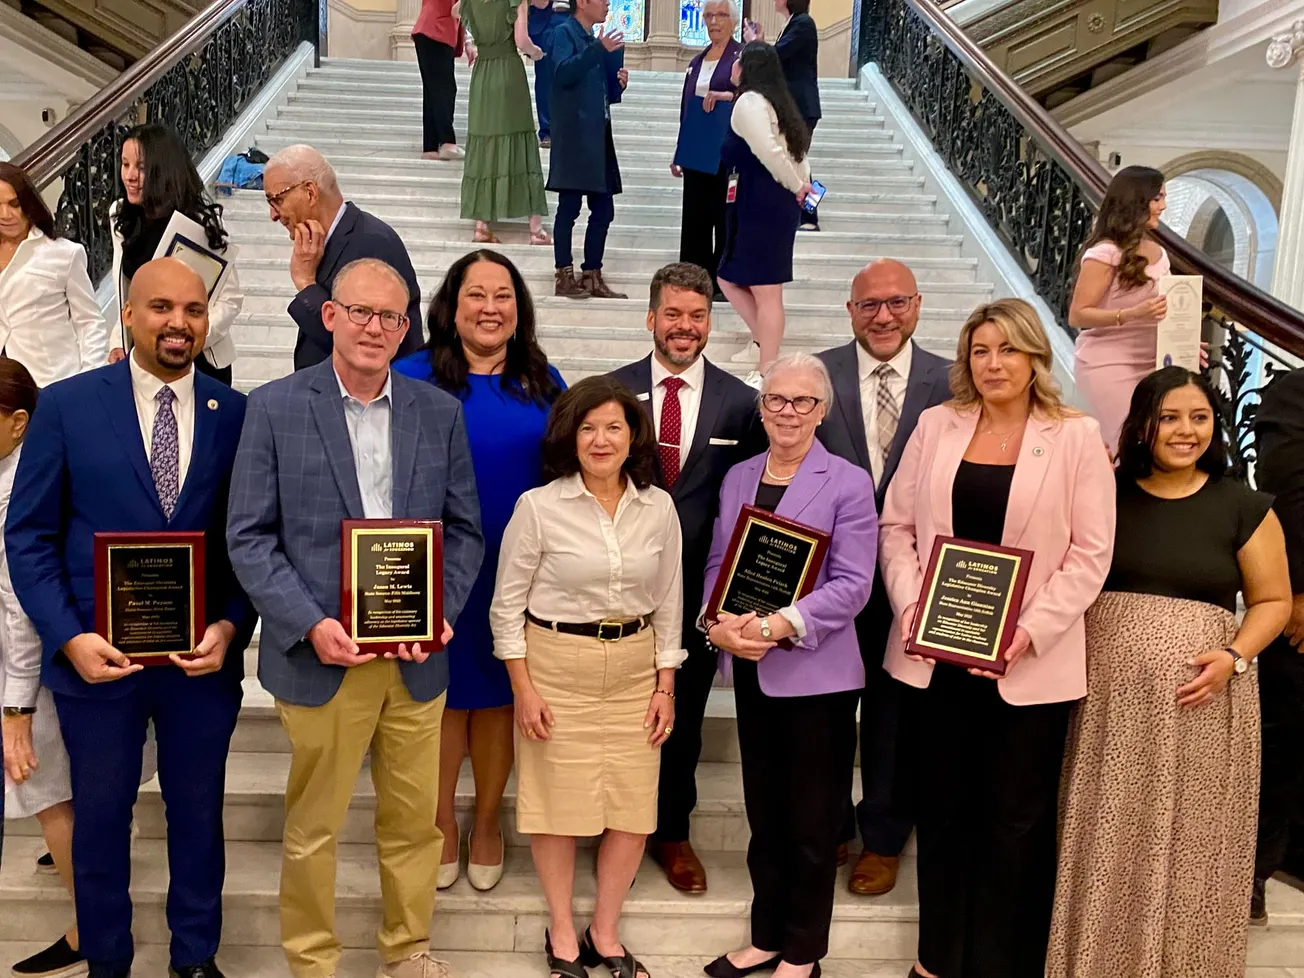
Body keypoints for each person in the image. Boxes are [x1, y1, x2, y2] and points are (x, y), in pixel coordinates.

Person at [225, 257, 484, 978]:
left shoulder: (439, 413)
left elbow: (464, 530)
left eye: (392, 317)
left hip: (415, 659)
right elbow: (248, 534)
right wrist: (309, 624)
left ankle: (408, 950)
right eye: (361, 312)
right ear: (330, 315)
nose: (376, 328)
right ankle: (312, 963)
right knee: (314, 828)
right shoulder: (274, 408)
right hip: (320, 659)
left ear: (408, 331)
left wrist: (442, 610)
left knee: (413, 824)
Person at [5, 258, 256, 978]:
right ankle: (108, 958)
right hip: (96, 660)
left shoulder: (234, 414)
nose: (179, 323)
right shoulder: (67, 406)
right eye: (162, 308)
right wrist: (70, 637)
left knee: (198, 814)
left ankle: (195, 955)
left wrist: (232, 625)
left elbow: (246, 539)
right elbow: (27, 536)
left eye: (193, 310)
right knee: (102, 819)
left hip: (199, 666)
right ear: (129, 314)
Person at [878, 297, 1116, 978]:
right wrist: (912, 608)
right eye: (980, 351)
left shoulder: (1073, 436)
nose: (993, 363)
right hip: (936, 658)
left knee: (1015, 824)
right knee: (943, 813)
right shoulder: (937, 424)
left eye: (1007, 349)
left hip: (1027, 666)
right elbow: (896, 530)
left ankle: (1001, 965)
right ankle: (936, 960)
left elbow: (1090, 556)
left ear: (1036, 356)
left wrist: (1027, 633)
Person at [1047, 367, 1291, 978]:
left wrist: (1234, 658)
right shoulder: (1106, 491)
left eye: (1200, 417)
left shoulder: (1243, 505)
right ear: (1142, 425)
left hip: (1201, 713)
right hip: (1104, 709)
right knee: (1106, 840)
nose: (1186, 431)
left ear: (1216, 425)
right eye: (1170, 417)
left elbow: (1273, 602)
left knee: (1190, 846)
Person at [489, 376, 682, 978]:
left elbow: (671, 600)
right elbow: (506, 607)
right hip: (556, 668)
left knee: (631, 806)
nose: (601, 439)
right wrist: (523, 688)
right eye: (588, 427)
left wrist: (665, 686)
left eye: (614, 427)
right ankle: (563, 930)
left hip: (634, 670)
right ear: (570, 438)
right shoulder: (539, 507)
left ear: (634, 437)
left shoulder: (660, 506)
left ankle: (606, 929)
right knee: (557, 806)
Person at [393, 249, 565, 892]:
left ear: (519, 311)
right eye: (476, 295)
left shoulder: (546, 384)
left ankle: (488, 821)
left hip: (519, 571)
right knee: (439, 698)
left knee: (496, 700)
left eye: (503, 296)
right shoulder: (408, 376)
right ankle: (439, 821)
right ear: (451, 306)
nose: (490, 308)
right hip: (429, 567)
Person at [702, 353, 876, 978]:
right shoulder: (740, 476)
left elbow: (854, 584)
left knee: (809, 822)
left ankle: (802, 953)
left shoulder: (849, 481)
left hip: (817, 676)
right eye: (777, 400)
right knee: (764, 813)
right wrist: (715, 623)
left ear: (823, 411)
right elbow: (717, 564)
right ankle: (766, 935)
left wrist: (779, 625)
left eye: (803, 402)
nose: (788, 412)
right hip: (750, 667)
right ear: (762, 406)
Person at [608, 261, 762, 894]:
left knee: (685, 720)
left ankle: (671, 831)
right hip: (615, 594)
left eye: (698, 315)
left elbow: (755, 501)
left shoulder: (741, 403)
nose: (685, 326)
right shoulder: (610, 395)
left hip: (701, 597)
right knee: (614, 717)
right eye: (673, 313)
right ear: (651, 318)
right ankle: (612, 827)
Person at [815, 258, 950, 898]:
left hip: (917, 582)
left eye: (897, 302)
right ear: (850, 312)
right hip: (828, 582)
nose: (884, 316)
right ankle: (831, 822)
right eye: (869, 305)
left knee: (899, 715)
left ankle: (885, 837)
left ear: (919, 305)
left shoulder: (956, 381)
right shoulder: (816, 375)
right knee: (829, 710)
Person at [0, 358, 85, 978]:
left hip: (28, 674)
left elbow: (18, 608)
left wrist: (16, 709)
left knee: (49, 794)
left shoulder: (15, 489)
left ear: (18, 423)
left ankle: (89, 928)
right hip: (25, 671)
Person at [262, 144, 425, 369]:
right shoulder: (331, 241)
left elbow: (362, 342)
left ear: (310, 192)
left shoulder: (372, 242)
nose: (273, 215)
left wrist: (305, 283)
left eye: (276, 200)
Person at [109, 124, 242, 385]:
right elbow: (127, 291)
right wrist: (119, 341)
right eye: (125, 165)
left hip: (199, 361)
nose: (130, 176)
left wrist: (189, 337)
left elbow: (230, 298)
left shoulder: (198, 221)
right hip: (143, 357)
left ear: (164, 170)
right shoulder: (120, 215)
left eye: (142, 167)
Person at [716, 42, 812, 385]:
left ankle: (767, 369)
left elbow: (771, 152)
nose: (734, 63)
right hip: (765, 201)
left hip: (764, 200)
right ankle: (765, 346)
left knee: (766, 290)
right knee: (729, 276)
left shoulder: (750, 102)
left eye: (739, 59)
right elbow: (798, 154)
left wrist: (798, 186)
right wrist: (802, 184)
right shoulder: (776, 103)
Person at [1068, 165, 1170, 454]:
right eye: (1157, 198)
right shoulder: (1104, 253)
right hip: (1108, 362)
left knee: (1157, 446)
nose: (1163, 206)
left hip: (1153, 361)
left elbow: (1164, 309)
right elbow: (1078, 314)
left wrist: (1185, 341)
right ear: (1137, 200)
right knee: (1129, 444)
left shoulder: (1160, 254)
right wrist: (1132, 314)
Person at [1253, 366, 1304, 922]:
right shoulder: (1294, 393)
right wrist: (1299, 591)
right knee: (1284, 739)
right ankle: (1255, 871)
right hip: (1300, 608)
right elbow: (1287, 499)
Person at [547, 0, 630, 300]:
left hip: (598, 135)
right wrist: (598, 50)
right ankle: (563, 275)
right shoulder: (563, 33)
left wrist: (618, 84)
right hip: (574, 137)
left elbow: (598, 89)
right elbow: (562, 74)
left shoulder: (594, 41)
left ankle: (592, 274)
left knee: (604, 208)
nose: (607, 3)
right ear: (581, 2)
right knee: (569, 208)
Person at [0, 163, 109, 387]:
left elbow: (90, 322)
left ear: (28, 203)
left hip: (56, 381)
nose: (5, 215)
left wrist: (89, 380)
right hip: (7, 391)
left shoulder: (63, 254)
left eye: (14, 204)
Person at [458, 0, 551, 246]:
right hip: (509, 71)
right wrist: (537, 53)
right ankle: (535, 229)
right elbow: (521, 40)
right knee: (520, 139)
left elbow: (454, 10)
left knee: (485, 142)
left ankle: (481, 226)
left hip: (483, 75)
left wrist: (472, 42)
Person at [671, 0, 742, 299]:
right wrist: (679, 150)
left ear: (733, 21)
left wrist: (727, 95)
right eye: (709, 15)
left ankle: (722, 281)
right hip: (696, 151)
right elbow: (687, 107)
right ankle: (694, 278)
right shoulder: (697, 61)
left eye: (721, 15)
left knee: (722, 215)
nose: (714, 21)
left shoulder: (742, 56)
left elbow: (755, 94)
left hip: (727, 150)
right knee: (695, 216)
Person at [744, 0, 820, 231]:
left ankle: (810, 216)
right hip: (794, 105)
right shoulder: (792, 24)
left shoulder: (803, 23)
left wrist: (756, 44)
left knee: (799, 159)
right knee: (797, 158)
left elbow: (777, 56)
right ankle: (804, 212)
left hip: (802, 106)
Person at [413, 0, 467, 162]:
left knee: (432, 91)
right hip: (436, 32)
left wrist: (468, 43)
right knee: (445, 88)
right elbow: (456, 10)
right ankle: (447, 142)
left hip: (430, 31)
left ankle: (430, 147)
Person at [527, 0, 562, 146]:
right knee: (545, 77)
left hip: (574, 16)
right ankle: (547, 130)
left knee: (576, 73)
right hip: (545, 19)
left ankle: (571, 129)